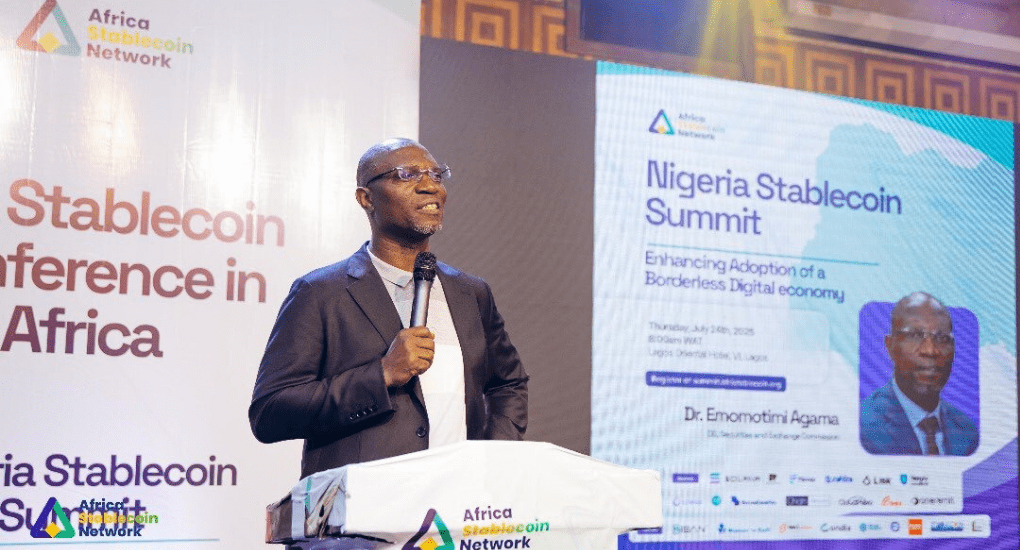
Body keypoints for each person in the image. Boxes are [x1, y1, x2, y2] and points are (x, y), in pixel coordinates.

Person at [249, 138, 528, 478]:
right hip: (364, 505)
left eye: (436, 175)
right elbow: (269, 413)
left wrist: (494, 458)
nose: (429, 186)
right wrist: (381, 374)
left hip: (456, 501)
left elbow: (508, 384)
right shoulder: (320, 292)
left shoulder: (471, 293)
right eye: (407, 174)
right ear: (366, 198)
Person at [859, 292, 978, 456]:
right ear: (890, 346)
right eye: (915, 336)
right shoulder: (863, 425)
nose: (930, 350)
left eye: (943, 339)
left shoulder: (967, 432)